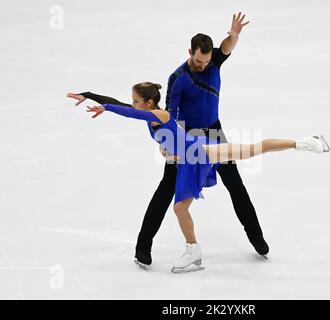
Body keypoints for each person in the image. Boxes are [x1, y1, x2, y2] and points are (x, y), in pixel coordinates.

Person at [67, 12, 271, 269]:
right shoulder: (178, 79)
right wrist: (167, 146)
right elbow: (168, 118)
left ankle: (257, 239)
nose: (203, 66)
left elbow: (227, 47)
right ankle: (143, 248)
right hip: (187, 139)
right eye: (198, 60)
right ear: (190, 52)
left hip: (215, 133)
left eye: (206, 61)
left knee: (235, 184)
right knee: (166, 191)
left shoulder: (213, 62)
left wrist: (234, 34)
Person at [81, 82, 330, 272]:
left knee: (182, 207)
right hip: (200, 150)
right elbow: (126, 108)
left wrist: (107, 108)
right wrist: (91, 95)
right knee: (249, 151)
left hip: (196, 156)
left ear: (148, 103)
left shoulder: (160, 115)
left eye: (136, 101)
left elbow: (130, 113)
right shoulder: (150, 116)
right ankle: (303, 143)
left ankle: (303, 143)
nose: (132, 104)